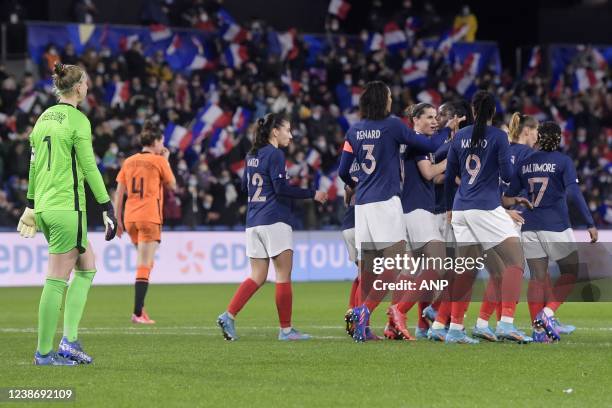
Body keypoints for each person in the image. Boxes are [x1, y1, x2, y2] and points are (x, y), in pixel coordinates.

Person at [338, 81, 461, 342]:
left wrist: (355, 186)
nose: (392, 100)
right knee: (394, 267)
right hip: (386, 202)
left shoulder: (354, 131)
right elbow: (426, 146)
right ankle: (363, 312)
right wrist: (449, 131)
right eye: (390, 96)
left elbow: (342, 171)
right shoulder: (392, 125)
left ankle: (363, 325)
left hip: (362, 206)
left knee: (369, 270)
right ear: (383, 100)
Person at [17, 62, 117, 365]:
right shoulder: (77, 120)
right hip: (66, 207)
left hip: (46, 206)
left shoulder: (43, 119)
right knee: (57, 278)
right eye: (85, 83)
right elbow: (89, 167)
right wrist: (107, 206)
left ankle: (69, 341)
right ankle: (44, 353)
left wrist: (31, 204)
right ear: (77, 88)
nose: (87, 87)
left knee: (87, 267)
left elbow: (33, 166)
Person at [217, 112, 328, 341]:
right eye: (287, 129)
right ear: (275, 131)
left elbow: (245, 187)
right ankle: (286, 330)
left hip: (253, 221)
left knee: (257, 275)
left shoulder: (252, 155)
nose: (291, 134)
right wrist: (312, 193)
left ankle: (229, 315)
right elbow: (280, 188)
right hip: (274, 220)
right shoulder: (275, 154)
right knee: (283, 274)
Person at [444, 90, 533, 344]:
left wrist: (450, 208)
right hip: (485, 207)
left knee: (467, 271)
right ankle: (506, 323)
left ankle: (455, 329)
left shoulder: (460, 135)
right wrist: (503, 181)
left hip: (461, 208)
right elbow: (507, 172)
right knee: (516, 261)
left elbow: (450, 176)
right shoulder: (498, 137)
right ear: (493, 112)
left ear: (473, 111)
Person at [504, 121, 598, 342]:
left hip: (529, 224)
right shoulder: (563, 161)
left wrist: (517, 201)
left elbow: (507, 197)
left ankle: (538, 333)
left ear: (539, 138)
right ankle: (546, 315)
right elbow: (574, 194)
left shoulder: (525, 162)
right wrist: (589, 223)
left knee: (537, 278)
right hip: (555, 224)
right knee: (571, 272)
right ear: (558, 139)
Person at [472, 111, 539, 341]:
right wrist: (508, 209)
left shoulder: (501, 150)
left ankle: (483, 322)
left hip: (489, 213)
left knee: (498, 273)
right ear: (528, 131)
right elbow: (508, 191)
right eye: (536, 131)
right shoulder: (529, 155)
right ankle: (505, 323)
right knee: (512, 267)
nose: (537, 136)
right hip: (504, 217)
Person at [386, 103, 449, 341]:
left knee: (411, 270)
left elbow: (434, 177)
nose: (435, 121)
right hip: (419, 211)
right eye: (430, 117)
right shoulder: (417, 142)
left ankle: (393, 326)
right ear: (416, 119)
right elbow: (429, 173)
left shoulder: (416, 143)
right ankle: (400, 311)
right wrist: (451, 158)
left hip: (411, 210)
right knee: (437, 264)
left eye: (436, 117)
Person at [114, 120, 176, 324]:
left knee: (146, 263)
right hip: (149, 216)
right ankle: (137, 313)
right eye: (162, 142)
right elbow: (172, 184)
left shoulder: (129, 161)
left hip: (130, 217)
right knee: (144, 264)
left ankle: (141, 310)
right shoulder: (159, 161)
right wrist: (166, 160)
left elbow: (120, 192)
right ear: (156, 141)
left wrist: (118, 219)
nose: (162, 146)